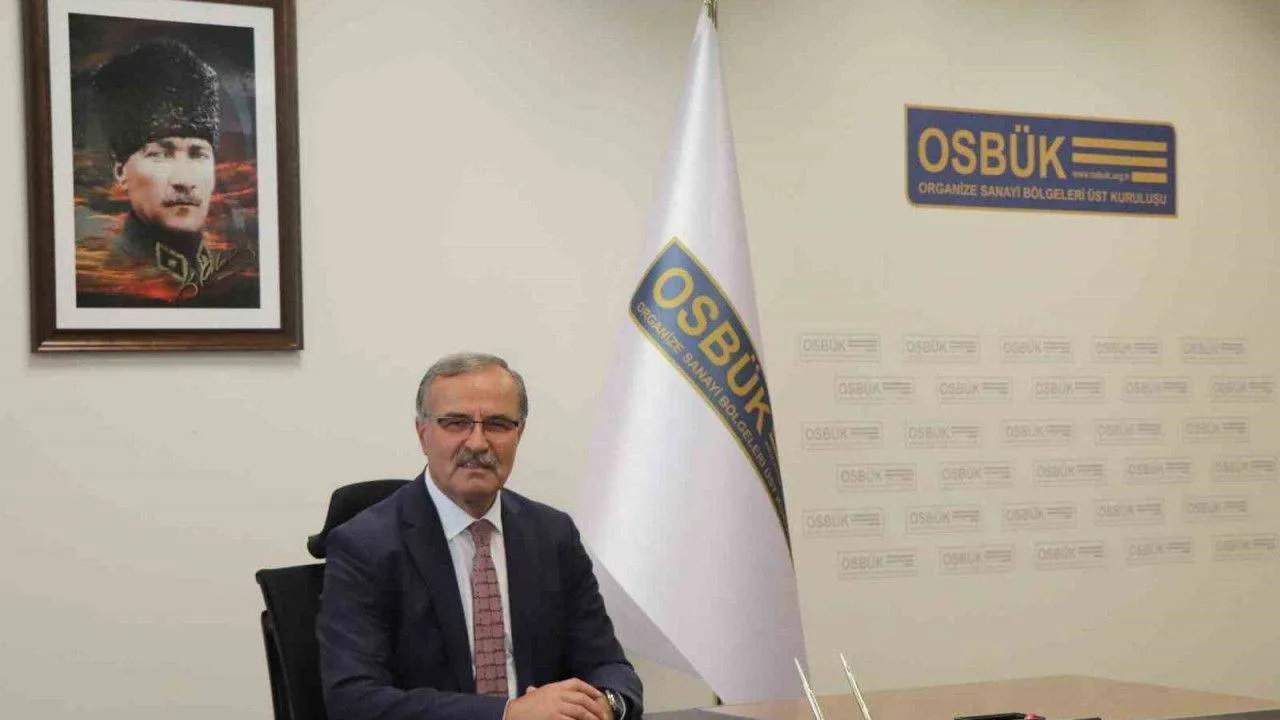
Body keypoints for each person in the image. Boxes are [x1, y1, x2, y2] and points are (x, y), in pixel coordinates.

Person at [317, 352, 643, 720]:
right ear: (423, 434)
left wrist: (606, 704)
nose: (477, 443)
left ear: (519, 434)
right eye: (456, 423)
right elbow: (355, 700)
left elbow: (608, 666)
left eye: (498, 424)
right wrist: (507, 714)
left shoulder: (553, 535)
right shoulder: (365, 546)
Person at [84, 37, 256, 306]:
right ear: (120, 171)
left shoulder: (236, 281)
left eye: (198, 154)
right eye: (160, 154)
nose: (184, 180)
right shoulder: (102, 283)